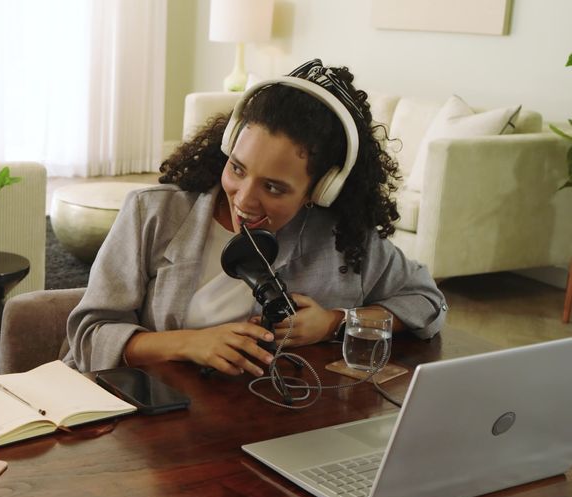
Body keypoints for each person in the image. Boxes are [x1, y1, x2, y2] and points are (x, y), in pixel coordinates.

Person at [65, 59, 446, 375]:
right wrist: (188, 344)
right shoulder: (153, 213)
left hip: (273, 425)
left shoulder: (342, 237)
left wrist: (335, 321)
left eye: (275, 188)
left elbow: (426, 300)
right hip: (146, 430)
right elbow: (88, 335)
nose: (244, 199)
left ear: (321, 189)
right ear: (229, 145)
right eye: (237, 169)